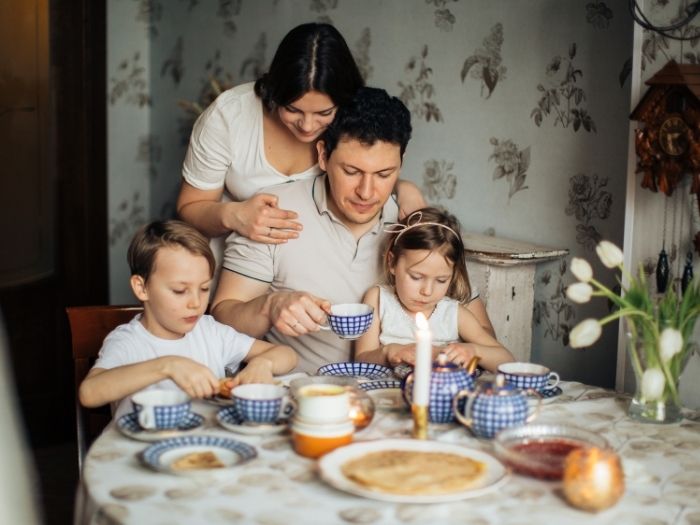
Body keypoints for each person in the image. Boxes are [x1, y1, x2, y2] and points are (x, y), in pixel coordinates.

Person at [177, 23, 424, 258]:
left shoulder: (347, 121)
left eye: (323, 113)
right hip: (236, 266)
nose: (307, 126)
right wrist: (233, 215)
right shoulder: (229, 117)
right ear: (274, 91)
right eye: (293, 109)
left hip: (310, 269)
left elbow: (366, 169)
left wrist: (403, 188)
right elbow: (190, 207)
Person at [211, 87, 412, 374]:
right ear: (323, 156)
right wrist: (271, 306)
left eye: (383, 174)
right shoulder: (274, 211)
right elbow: (222, 317)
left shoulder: (410, 223)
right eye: (351, 171)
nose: (367, 192)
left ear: (401, 165)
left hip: (390, 397)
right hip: (298, 394)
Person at [78, 220, 297, 418]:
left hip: (203, 451)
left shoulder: (210, 332)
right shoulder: (129, 341)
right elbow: (89, 393)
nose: (195, 303)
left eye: (204, 289)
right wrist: (167, 366)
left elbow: (286, 354)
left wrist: (263, 363)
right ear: (142, 287)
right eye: (180, 290)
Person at [355, 207, 514, 372]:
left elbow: (507, 361)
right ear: (392, 263)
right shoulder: (378, 299)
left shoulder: (454, 314)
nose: (427, 291)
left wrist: (474, 350)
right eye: (416, 277)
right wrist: (388, 352)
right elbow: (361, 359)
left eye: (441, 280)